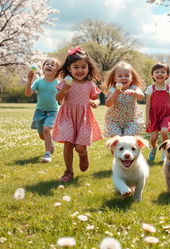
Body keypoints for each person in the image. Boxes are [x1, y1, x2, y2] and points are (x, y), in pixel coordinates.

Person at [52, 46, 102, 182]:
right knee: (68, 143)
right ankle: (68, 171)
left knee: (80, 147)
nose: (80, 70)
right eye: (76, 67)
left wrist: (95, 102)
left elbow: (97, 98)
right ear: (69, 68)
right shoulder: (65, 82)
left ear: (88, 68)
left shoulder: (90, 84)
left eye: (83, 67)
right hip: (67, 116)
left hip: (83, 118)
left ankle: (83, 155)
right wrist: (64, 90)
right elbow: (58, 98)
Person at [25, 58, 60, 163]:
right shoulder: (38, 81)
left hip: (53, 112)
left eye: (52, 65)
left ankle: (47, 154)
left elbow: (62, 98)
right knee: (42, 135)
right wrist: (29, 80)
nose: (49, 66)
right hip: (39, 111)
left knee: (46, 129)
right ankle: (50, 144)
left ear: (56, 71)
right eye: (47, 64)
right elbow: (28, 93)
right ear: (43, 68)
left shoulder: (58, 83)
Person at [103, 61, 144, 137]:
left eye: (127, 76)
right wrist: (114, 94)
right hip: (114, 120)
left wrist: (134, 93)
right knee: (116, 140)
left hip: (131, 120)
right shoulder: (113, 90)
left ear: (132, 78)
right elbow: (108, 104)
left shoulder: (134, 88)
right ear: (115, 79)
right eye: (120, 76)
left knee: (127, 139)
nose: (123, 78)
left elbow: (141, 97)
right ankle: (115, 149)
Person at [145, 62, 170, 161]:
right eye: (157, 72)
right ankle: (154, 147)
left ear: (167, 75)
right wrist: (148, 119)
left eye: (163, 72)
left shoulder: (169, 89)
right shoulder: (150, 89)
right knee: (153, 138)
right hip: (154, 116)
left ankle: (165, 151)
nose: (160, 74)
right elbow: (148, 105)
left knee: (164, 131)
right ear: (152, 75)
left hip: (166, 115)